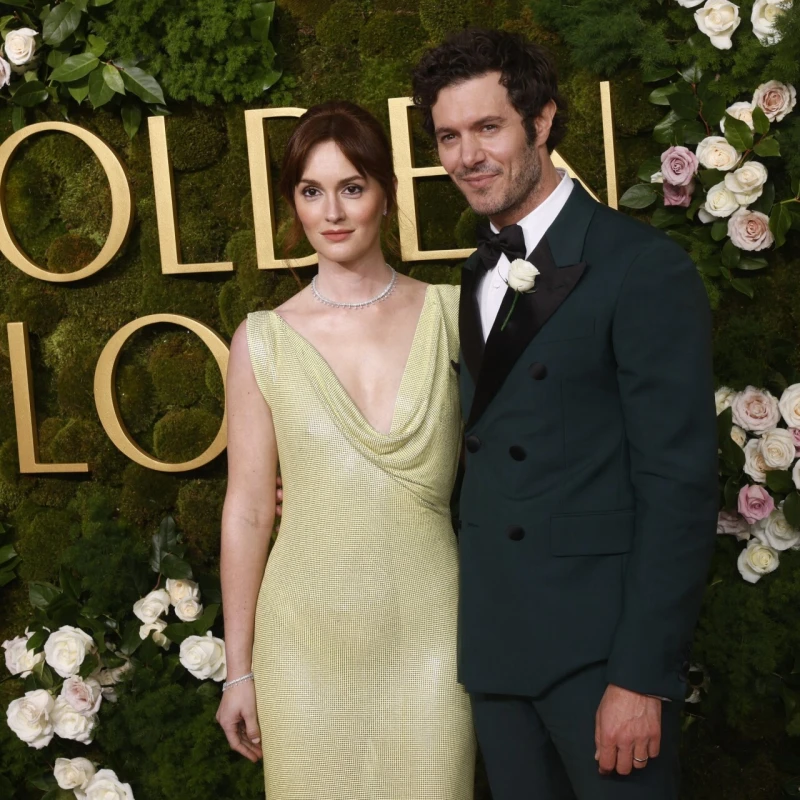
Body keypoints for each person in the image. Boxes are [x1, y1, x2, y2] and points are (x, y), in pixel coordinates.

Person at [411, 29, 719, 800]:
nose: (467, 156)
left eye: (488, 127)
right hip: (495, 653)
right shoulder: (473, 272)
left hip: (601, 659)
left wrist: (641, 676)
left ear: (542, 120)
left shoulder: (641, 267)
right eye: (449, 136)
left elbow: (679, 488)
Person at [215, 100, 475, 799]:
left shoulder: (455, 314)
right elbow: (248, 511)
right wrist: (238, 670)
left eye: (352, 187)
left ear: (386, 194)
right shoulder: (262, 340)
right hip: (301, 646)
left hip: (432, 638)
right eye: (311, 191)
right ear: (293, 204)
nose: (331, 212)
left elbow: (504, 473)